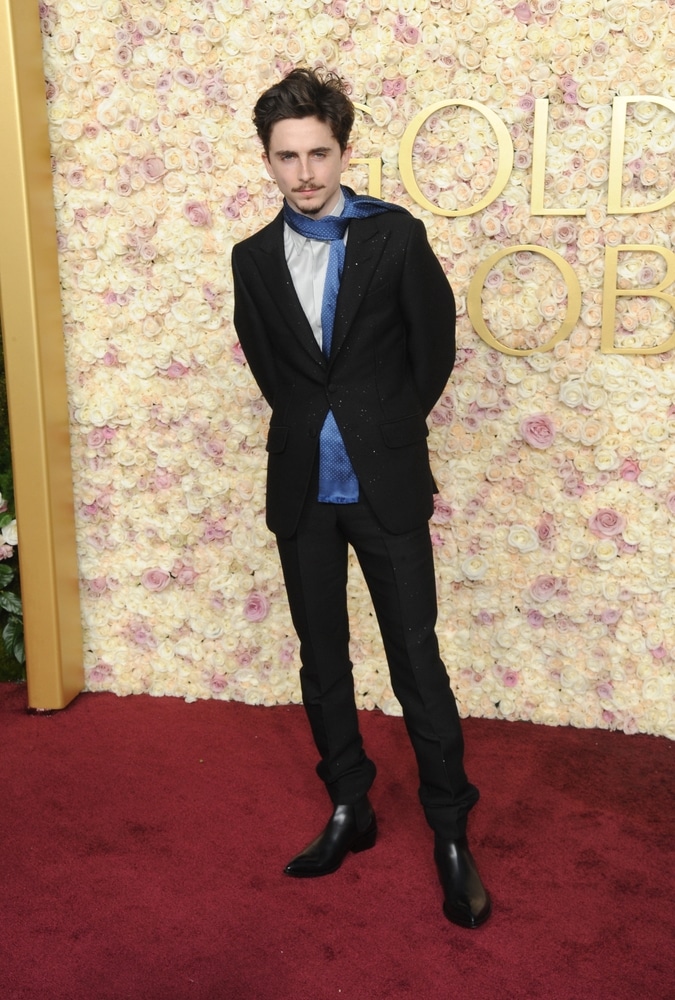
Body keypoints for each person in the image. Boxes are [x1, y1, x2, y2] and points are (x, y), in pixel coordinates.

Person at [231, 67, 491, 929]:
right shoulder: (252, 259)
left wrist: (381, 427)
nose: (304, 173)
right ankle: (351, 804)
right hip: (302, 488)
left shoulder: (396, 237)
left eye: (319, 153)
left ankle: (451, 829)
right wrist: (322, 426)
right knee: (322, 658)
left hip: (385, 482)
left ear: (343, 150)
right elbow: (276, 373)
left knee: (416, 658)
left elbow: (433, 348)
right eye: (286, 157)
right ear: (265, 161)